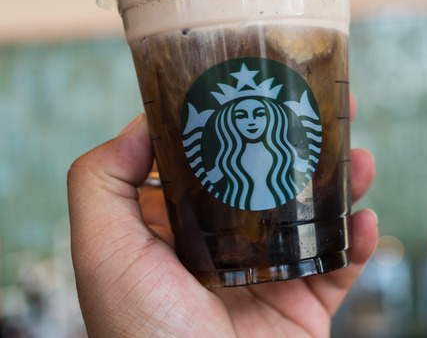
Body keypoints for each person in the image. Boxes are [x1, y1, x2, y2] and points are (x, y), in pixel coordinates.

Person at [67, 97, 378, 337]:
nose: (251, 122)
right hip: (215, 280)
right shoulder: (222, 167)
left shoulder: (285, 159)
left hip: (303, 275)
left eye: (260, 113)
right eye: (241, 115)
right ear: (228, 123)